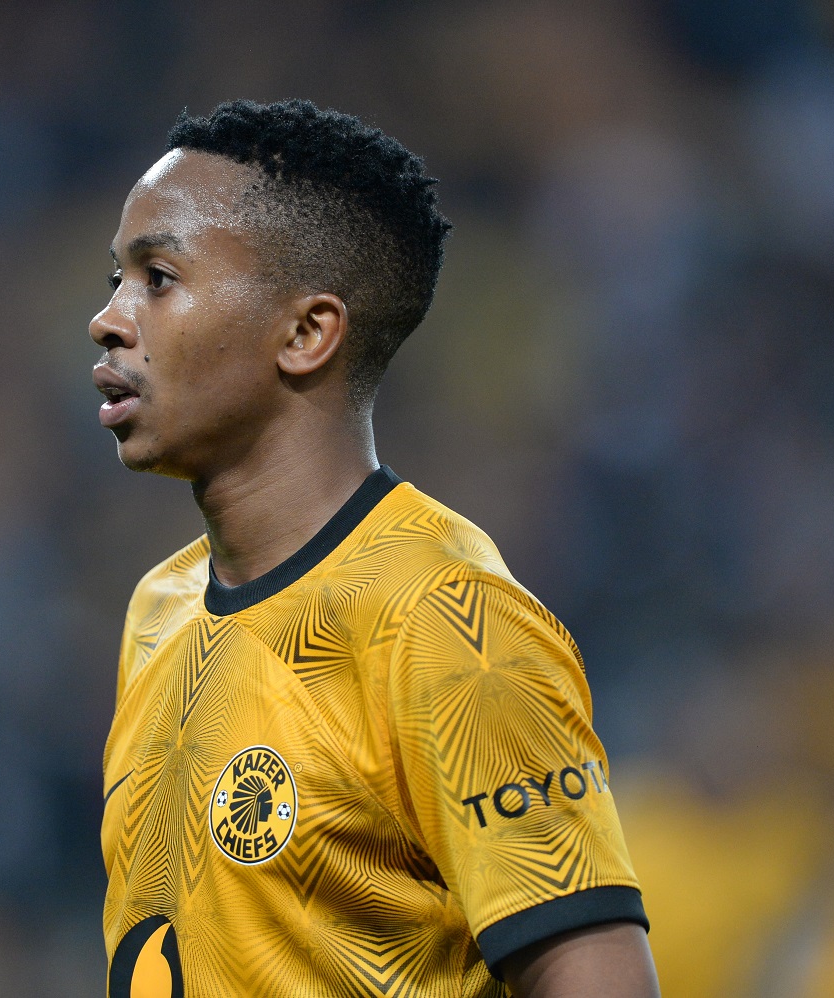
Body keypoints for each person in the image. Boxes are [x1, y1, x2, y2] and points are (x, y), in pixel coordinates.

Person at [90, 99, 658, 998]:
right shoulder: (159, 609)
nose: (109, 319)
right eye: (116, 279)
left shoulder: (446, 623)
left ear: (306, 333)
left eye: (157, 278)